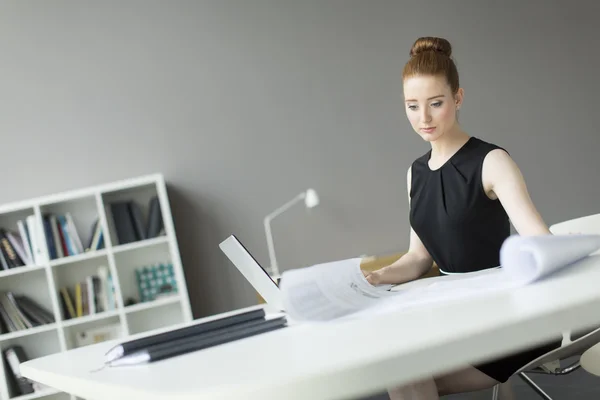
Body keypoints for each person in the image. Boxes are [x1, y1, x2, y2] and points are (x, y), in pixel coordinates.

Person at [362, 36, 561, 400]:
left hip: (509, 321)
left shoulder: (491, 162)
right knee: (400, 369)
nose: (423, 118)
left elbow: (542, 244)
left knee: (406, 375)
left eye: (436, 103)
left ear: (458, 98)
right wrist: (373, 277)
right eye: (412, 106)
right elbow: (419, 258)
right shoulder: (414, 173)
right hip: (453, 317)